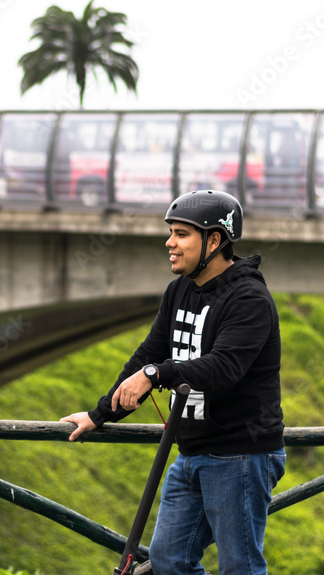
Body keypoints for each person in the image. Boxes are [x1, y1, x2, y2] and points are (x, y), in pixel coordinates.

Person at [61, 190, 285, 575]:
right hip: (191, 451)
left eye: (182, 234)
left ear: (214, 241)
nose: (170, 242)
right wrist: (101, 413)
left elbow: (222, 369)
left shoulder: (249, 299)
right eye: (171, 233)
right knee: (168, 561)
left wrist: (158, 374)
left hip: (241, 455)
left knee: (241, 568)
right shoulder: (179, 290)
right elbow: (147, 355)